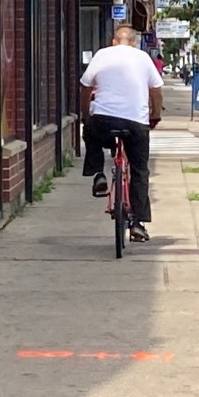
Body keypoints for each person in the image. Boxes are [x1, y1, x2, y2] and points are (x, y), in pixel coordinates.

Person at [80, 26, 164, 243]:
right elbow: (155, 90)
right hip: (136, 122)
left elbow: (86, 87)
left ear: (113, 41)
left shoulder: (101, 55)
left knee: (90, 133)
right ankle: (138, 223)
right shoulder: (144, 58)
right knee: (139, 170)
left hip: (104, 120)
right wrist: (154, 116)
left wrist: (86, 117)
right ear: (134, 43)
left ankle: (98, 173)